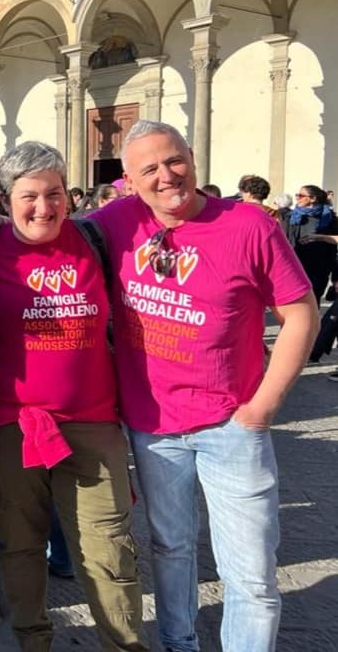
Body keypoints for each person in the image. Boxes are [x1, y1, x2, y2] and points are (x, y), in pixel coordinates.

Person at [88, 120, 318, 652]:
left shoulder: (249, 226)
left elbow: (301, 315)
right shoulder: (115, 221)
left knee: (252, 574)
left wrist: (262, 408)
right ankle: (179, 643)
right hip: (154, 426)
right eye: (150, 169)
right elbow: (53, 237)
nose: (167, 176)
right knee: (170, 548)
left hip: (232, 425)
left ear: (192, 156)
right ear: (128, 180)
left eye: (175, 160)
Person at [0, 141, 146, 651]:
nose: (43, 207)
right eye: (29, 196)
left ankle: (124, 644)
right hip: (10, 425)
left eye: (54, 194)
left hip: (93, 422)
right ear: (6, 200)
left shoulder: (95, 238)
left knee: (109, 548)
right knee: (20, 547)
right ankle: (31, 643)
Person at [284, 184, 337, 303]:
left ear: (313, 199)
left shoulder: (329, 218)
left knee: (314, 300)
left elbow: (333, 246)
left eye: (301, 196)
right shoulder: (292, 217)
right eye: (297, 195)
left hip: (319, 267)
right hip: (296, 265)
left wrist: (335, 274)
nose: (297, 198)